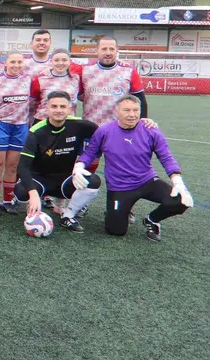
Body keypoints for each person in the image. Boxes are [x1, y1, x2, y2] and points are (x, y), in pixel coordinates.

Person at [75, 95, 190, 241]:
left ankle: (152, 220)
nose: (132, 114)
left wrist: (177, 180)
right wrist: (79, 166)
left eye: (136, 110)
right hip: (119, 187)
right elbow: (90, 153)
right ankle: (116, 211)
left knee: (181, 201)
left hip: (147, 181)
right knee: (116, 231)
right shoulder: (104, 131)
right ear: (117, 111)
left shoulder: (151, 130)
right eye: (126, 110)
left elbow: (166, 157)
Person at [13, 92, 102, 233]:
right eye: (54, 106)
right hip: (39, 180)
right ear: (47, 108)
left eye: (62, 106)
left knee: (93, 181)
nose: (58, 110)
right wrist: (33, 193)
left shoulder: (80, 125)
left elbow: (105, 132)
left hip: (65, 181)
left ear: (69, 109)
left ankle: (68, 216)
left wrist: (141, 123)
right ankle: (35, 201)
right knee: (22, 191)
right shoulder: (36, 131)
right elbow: (22, 167)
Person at [0, 52, 32, 215]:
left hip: (20, 126)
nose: (16, 65)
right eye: (13, 62)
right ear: (5, 63)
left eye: (19, 62)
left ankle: (7, 200)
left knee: (13, 165)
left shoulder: (29, 80)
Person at [80, 35, 147, 125]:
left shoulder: (129, 71)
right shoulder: (84, 70)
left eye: (111, 49)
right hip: (90, 127)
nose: (108, 53)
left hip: (119, 128)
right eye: (104, 49)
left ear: (117, 51)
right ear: (97, 51)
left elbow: (141, 101)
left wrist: (142, 124)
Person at [30, 49, 80, 123]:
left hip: (68, 122)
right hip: (43, 121)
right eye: (56, 60)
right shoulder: (40, 79)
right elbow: (32, 102)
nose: (60, 63)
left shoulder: (76, 79)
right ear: (51, 62)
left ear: (70, 62)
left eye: (64, 60)